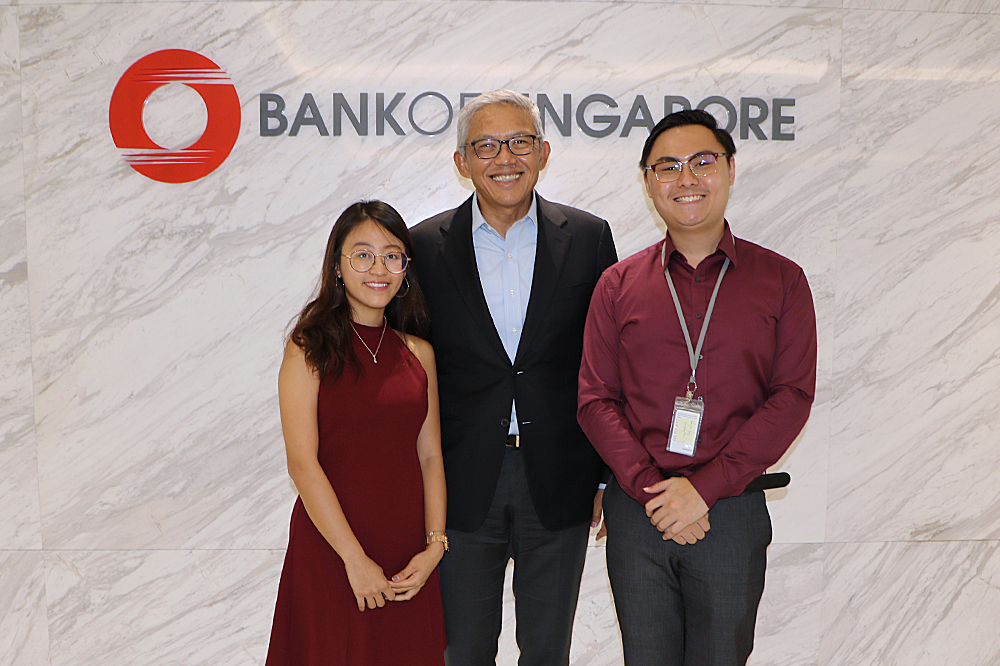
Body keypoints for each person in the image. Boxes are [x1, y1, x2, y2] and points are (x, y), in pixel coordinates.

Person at [577, 109, 817, 666]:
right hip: (641, 511)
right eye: (667, 166)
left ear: (731, 170)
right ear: (648, 183)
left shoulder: (781, 280)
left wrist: (704, 489)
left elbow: (792, 398)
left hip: (731, 509)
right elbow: (595, 399)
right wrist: (653, 492)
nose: (686, 178)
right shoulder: (617, 285)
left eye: (703, 162)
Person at [409, 90, 618, 666]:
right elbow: (409, 367)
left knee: (547, 650)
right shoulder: (424, 247)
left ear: (543, 152)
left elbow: (606, 361)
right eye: (486, 145)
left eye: (520, 141)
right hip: (460, 478)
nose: (506, 157)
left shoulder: (589, 237)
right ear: (462, 162)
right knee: (463, 649)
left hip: (558, 475)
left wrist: (604, 475)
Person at [265, 201, 447, 666]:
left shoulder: (418, 353)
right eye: (362, 255)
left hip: (407, 552)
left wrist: (434, 546)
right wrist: (354, 558)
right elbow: (302, 465)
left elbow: (430, 457)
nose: (378, 268)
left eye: (392, 255)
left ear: (406, 268)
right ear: (338, 267)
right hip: (333, 548)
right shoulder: (308, 346)